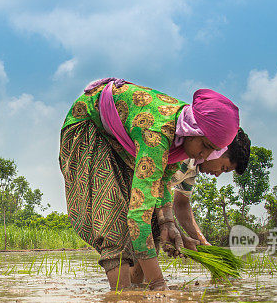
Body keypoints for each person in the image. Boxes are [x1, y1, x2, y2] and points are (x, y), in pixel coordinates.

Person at [60, 78, 239, 290]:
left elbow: (162, 184)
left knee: (154, 221)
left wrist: (168, 224)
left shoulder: (178, 141)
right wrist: (160, 285)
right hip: (88, 126)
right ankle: (122, 300)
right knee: (113, 221)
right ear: (193, 129)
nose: (205, 155)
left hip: (119, 138)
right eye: (205, 145)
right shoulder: (157, 134)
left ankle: (134, 289)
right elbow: (137, 217)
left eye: (213, 151)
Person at [172, 128, 251, 245]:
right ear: (219, 149)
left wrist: (203, 243)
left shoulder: (193, 169)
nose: (218, 174)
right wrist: (181, 236)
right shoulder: (185, 154)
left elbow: (181, 203)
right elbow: (155, 199)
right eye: (223, 168)